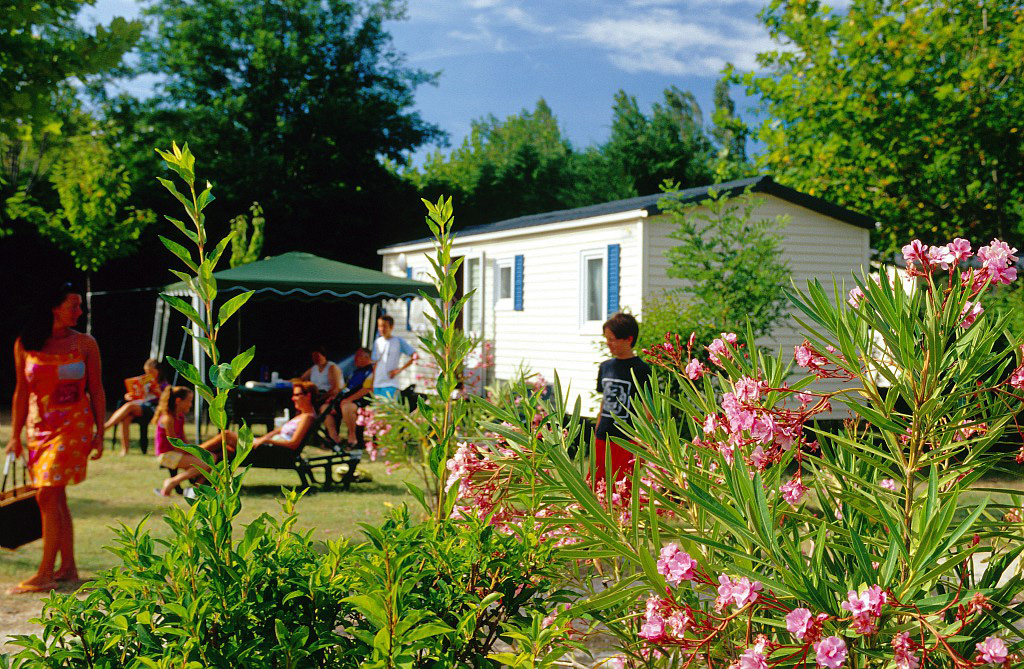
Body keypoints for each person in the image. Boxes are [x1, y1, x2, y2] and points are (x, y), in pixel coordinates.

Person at [5, 282, 105, 594]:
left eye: (79, 306)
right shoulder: (26, 343)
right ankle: (70, 567)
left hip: (73, 427)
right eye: (73, 305)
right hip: (38, 429)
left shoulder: (86, 343)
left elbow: (97, 390)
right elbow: (22, 392)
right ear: (54, 307)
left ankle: (45, 573)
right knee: (56, 496)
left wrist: (100, 432)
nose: (80, 311)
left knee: (46, 494)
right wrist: (15, 436)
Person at [158, 380, 318, 495]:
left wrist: (265, 441)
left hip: (272, 450)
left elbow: (293, 444)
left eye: (297, 395)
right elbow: (278, 432)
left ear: (308, 396)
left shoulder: (307, 417)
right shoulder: (299, 417)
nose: (293, 398)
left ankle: (197, 452)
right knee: (222, 452)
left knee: (226, 435)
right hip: (264, 444)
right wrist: (262, 438)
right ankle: (199, 488)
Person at [594, 312, 651, 486]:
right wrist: (596, 431)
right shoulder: (605, 367)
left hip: (626, 440)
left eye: (612, 339)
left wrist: (641, 442)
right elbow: (604, 402)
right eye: (607, 339)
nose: (608, 343)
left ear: (628, 338)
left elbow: (648, 409)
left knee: (622, 488)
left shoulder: (642, 370)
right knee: (597, 485)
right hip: (603, 436)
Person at [104, 358, 167, 455]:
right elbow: (138, 396)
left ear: (158, 371)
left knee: (129, 406)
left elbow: (166, 401)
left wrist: (158, 392)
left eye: (151, 372)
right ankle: (125, 449)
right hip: (141, 406)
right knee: (126, 419)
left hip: (153, 409)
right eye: (147, 372)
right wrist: (129, 396)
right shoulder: (143, 382)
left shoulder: (164, 384)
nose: (148, 374)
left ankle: (105, 427)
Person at [324, 347, 374, 446]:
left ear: (366, 357)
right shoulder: (355, 372)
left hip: (361, 401)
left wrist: (348, 400)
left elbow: (367, 389)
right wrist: (335, 398)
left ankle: (353, 438)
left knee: (347, 406)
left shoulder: (372, 371)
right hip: (346, 400)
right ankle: (333, 438)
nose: (355, 359)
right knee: (325, 408)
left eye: (358, 356)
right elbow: (345, 389)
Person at [372, 315, 417, 398]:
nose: (382, 329)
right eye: (380, 326)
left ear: (391, 327)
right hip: (377, 383)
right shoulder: (377, 342)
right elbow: (375, 363)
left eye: (385, 326)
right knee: (378, 409)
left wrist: (399, 370)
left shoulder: (398, 341)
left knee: (389, 409)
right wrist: (373, 382)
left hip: (390, 383)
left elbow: (414, 355)